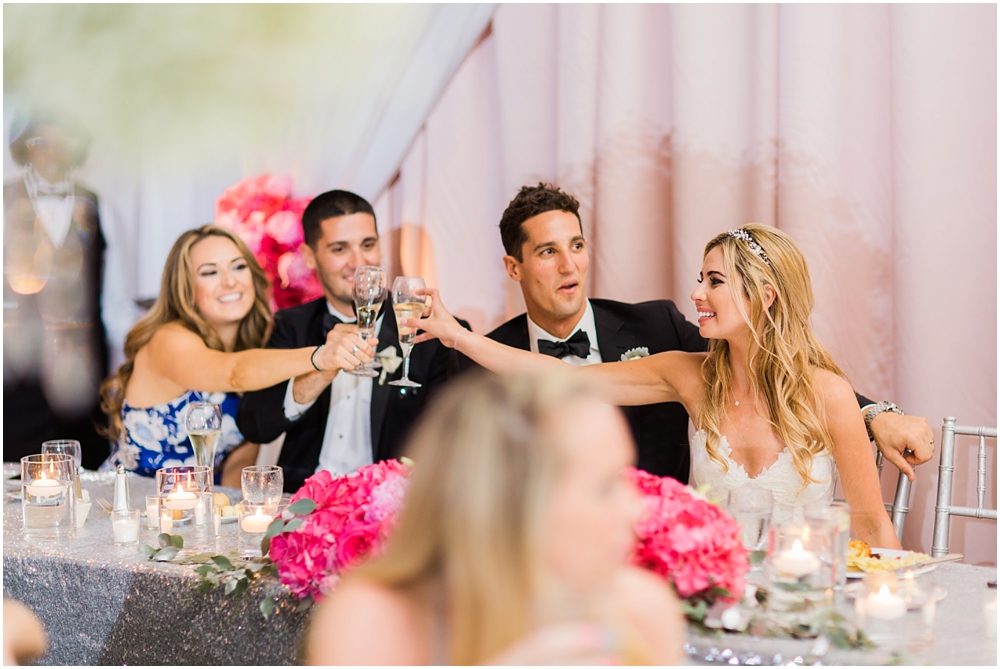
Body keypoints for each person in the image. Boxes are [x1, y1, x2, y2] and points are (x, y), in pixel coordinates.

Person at [410, 224, 905, 547]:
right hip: (708, 600)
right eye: (700, 278)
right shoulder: (688, 375)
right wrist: (458, 336)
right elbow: (561, 377)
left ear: (765, 296)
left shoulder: (828, 395)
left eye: (715, 281)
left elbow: (870, 523)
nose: (696, 293)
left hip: (801, 603)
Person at [483, 184, 934, 482]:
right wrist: (454, 336)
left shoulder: (657, 326)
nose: (570, 265)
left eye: (577, 246)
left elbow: (776, 369)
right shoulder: (482, 359)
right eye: (548, 252)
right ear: (514, 267)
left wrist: (873, 414)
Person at [306, 372, 685, 665]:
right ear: (512, 501)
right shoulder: (373, 622)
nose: (636, 510)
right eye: (604, 487)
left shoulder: (640, 613)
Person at [99, 225, 374, 484]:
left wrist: (230, 512)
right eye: (210, 272)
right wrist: (322, 356)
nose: (230, 281)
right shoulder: (168, 339)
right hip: (128, 505)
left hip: (198, 509)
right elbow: (234, 374)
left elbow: (241, 456)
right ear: (185, 289)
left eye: (239, 267)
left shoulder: (258, 350)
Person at [236, 190, 464, 494]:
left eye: (368, 245)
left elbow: (456, 441)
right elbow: (255, 425)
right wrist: (321, 368)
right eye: (340, 249)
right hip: (301, 501)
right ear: (309, 256)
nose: (359, 262)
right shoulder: (292, 325)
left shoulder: (429, 331)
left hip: (389, 504)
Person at [4, 111, 114, 470]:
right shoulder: (3, 199)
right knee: (18, 463)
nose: (52, 152)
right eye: (41, 142)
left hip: (84, 362)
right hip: (19, 365)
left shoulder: (95, 202)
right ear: (25, 147)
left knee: (82, 466)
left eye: (62, 143)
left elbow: (115, 285)